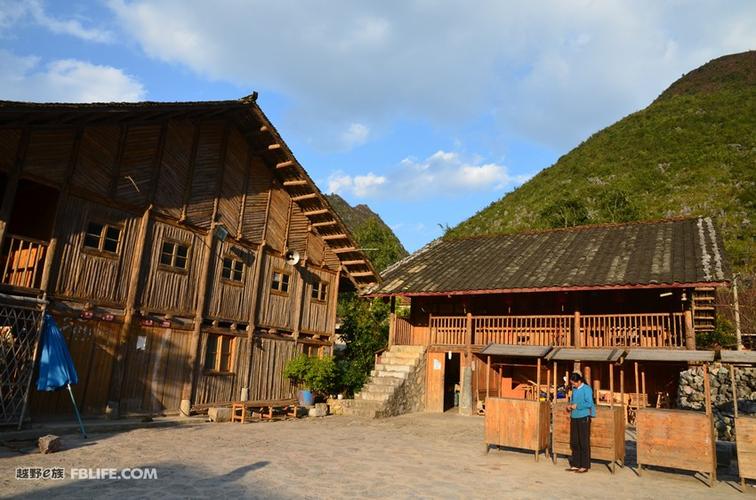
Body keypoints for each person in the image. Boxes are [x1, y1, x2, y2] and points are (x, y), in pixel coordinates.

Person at [565, 371, 596, 473]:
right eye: (572, 383)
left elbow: (589, 403)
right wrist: (570, 405)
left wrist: (577, 406)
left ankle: (584, 465)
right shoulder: (574, 390)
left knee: (583, 442)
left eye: (574, 383)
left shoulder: (587, 389)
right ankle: (576, 464)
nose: (573, 385)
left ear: (579, 381)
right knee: (574, 441)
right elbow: (573, 401)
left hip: (583, 417)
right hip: (574, 417)